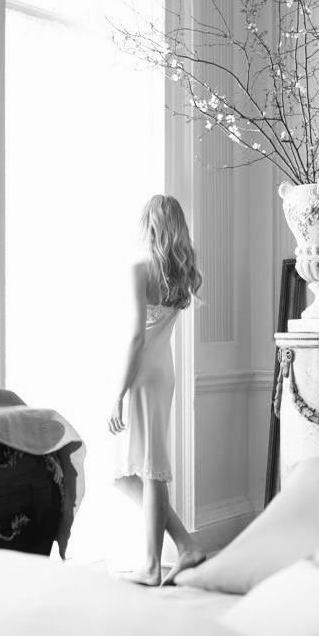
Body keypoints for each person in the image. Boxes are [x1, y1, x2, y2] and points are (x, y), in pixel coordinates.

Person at [108, 194, 205, 586]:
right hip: (164, 371)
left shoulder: (140, 271)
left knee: (149, 470)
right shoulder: (184, 274)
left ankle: (151, 565)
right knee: (132, 473)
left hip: (145, 371)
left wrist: (117, 392)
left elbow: (135, 338)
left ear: (150, 226)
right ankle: (185, 545)